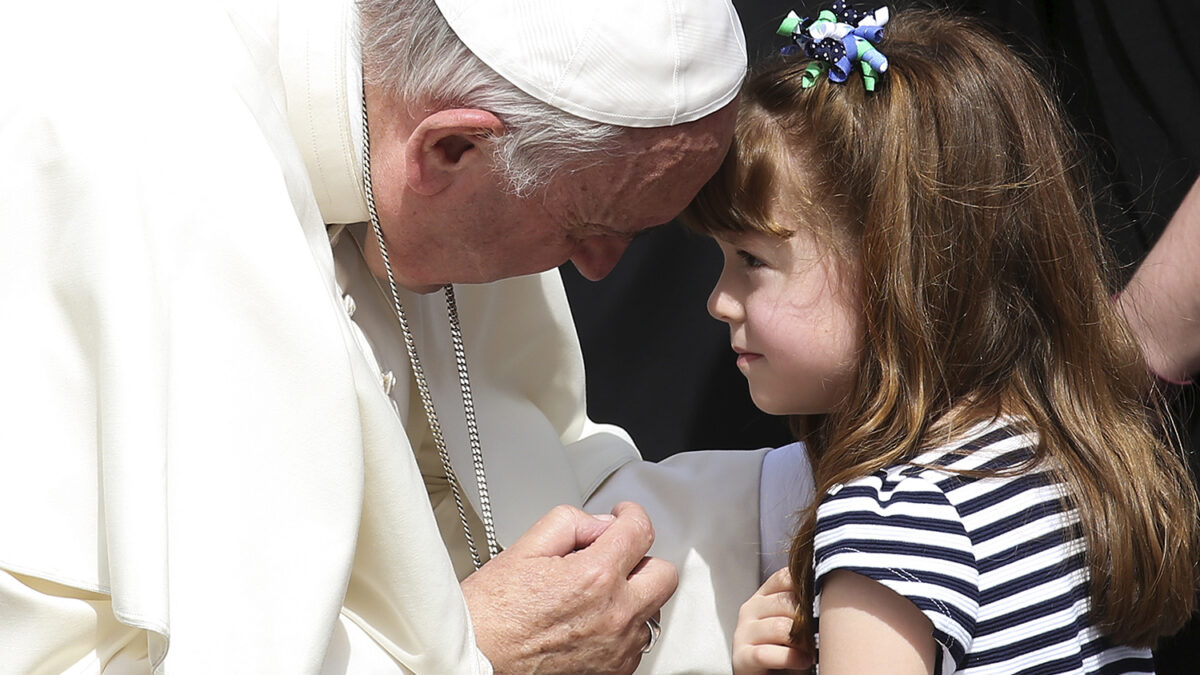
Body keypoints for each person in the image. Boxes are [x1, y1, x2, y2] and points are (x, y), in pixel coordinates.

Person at [0, 0, 815, 672]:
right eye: (589, 226)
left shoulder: (429, 136)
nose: (598, 271)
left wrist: (807, 502)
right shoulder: (132, 148)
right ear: (450, 146)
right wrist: (473, 657)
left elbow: (536, 505)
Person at [680, 4, 1200, 673]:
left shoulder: (885, 523)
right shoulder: (1075, 455)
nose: (718, 301)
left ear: (896, 268)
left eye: (752, 261)